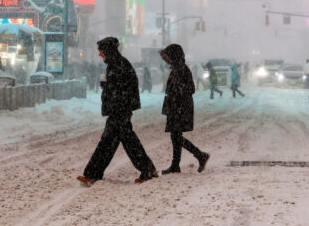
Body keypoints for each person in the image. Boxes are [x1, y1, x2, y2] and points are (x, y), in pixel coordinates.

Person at [77, 37, 158, 186]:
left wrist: (108, 87)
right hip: (120, 109)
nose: (99, 54)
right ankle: (147, 169)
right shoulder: (117, 64)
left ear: (107, 50)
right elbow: (121, 87)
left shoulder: (119, 65)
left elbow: (122, 88)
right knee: (123, 141)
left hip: (120, 109)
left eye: (101, 51)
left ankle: (92, 174)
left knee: (108, 142)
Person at [159, 44, 210, 175]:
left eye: (169, 56)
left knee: (176, 136)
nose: (167, 60)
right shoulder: (176, 68)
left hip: (180, 107)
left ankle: (198, 156)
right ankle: (179, 163)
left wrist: (177, 93)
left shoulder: (182, 69)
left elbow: (190, 88)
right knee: (175, 136)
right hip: (176, 106)